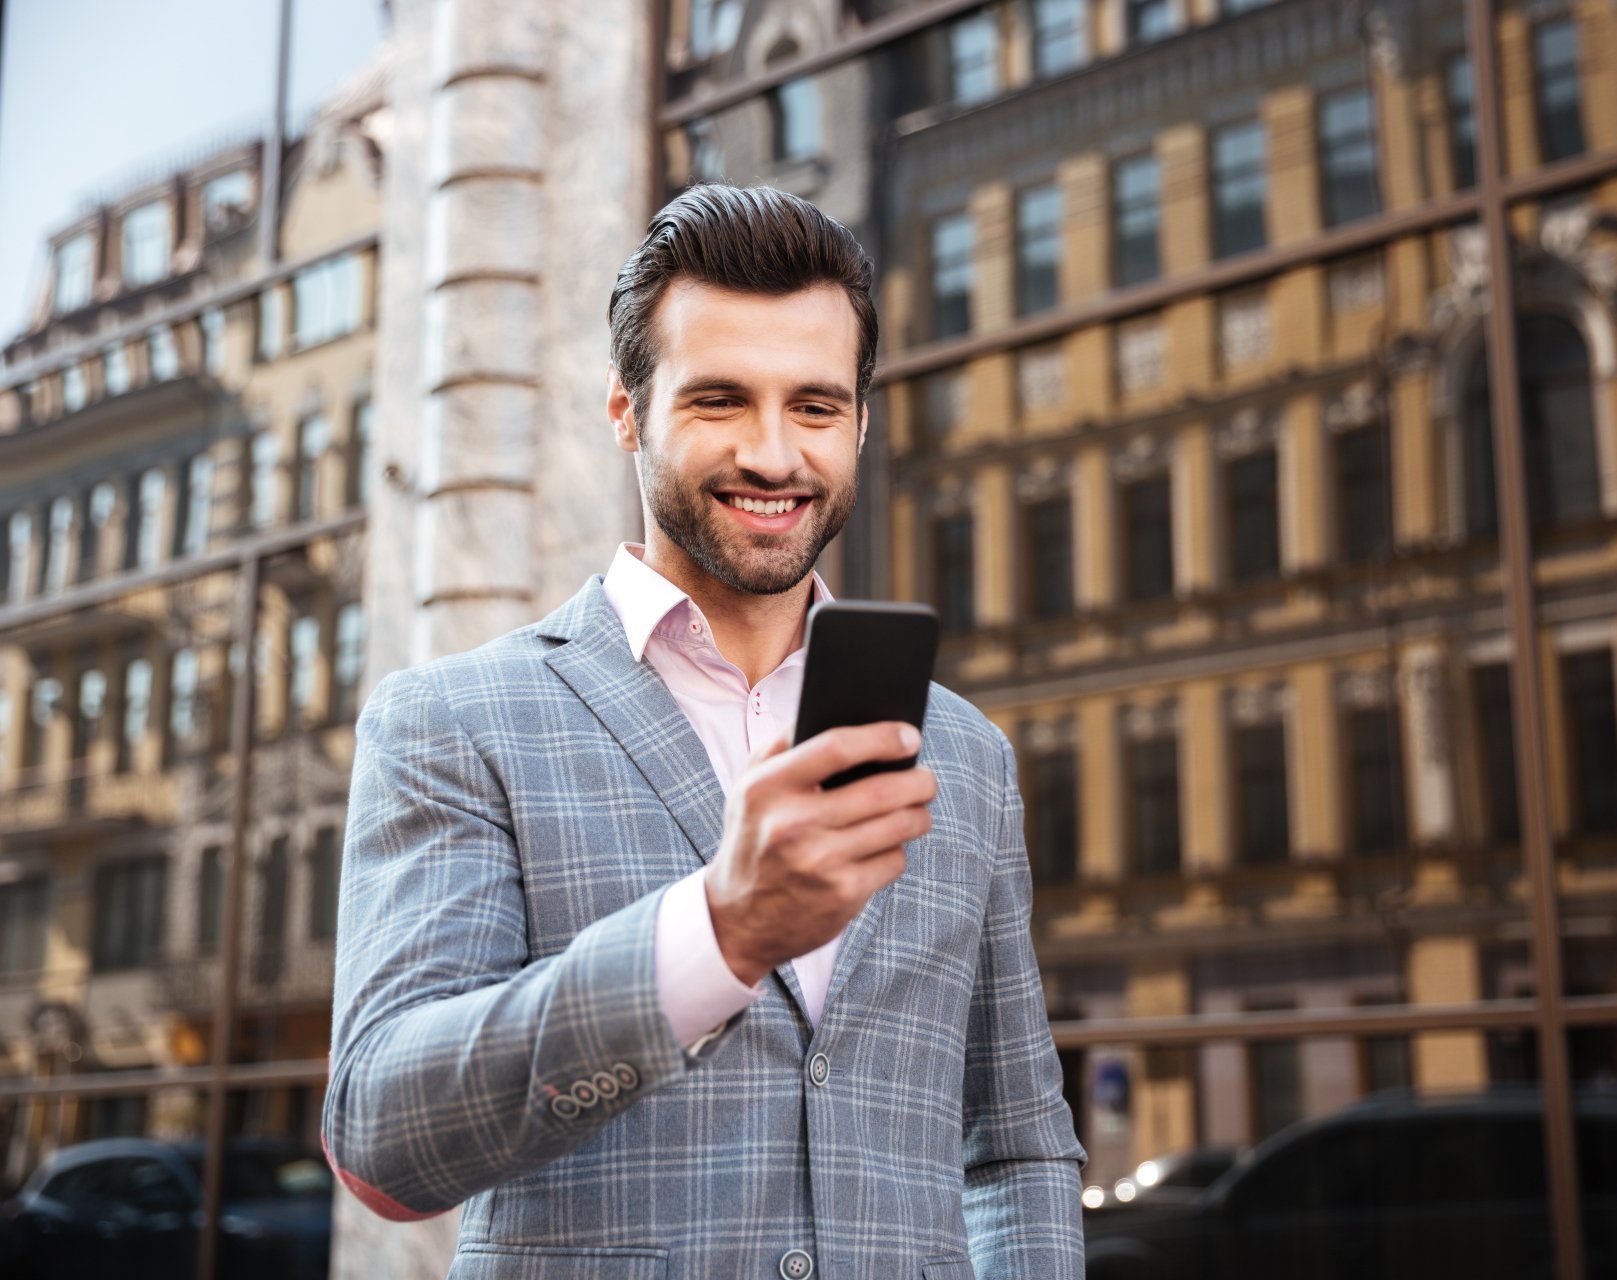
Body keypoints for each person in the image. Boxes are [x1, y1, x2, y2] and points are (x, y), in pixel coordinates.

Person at [320, 182, 1087, 1279]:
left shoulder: (961, 752)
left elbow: (1014, 1147)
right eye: (721, 399)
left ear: (862, 422)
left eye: (816, 407)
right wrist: (715, 933)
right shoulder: (451, 720)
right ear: (627, 409)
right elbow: (383, 1136)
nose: (775, 456)